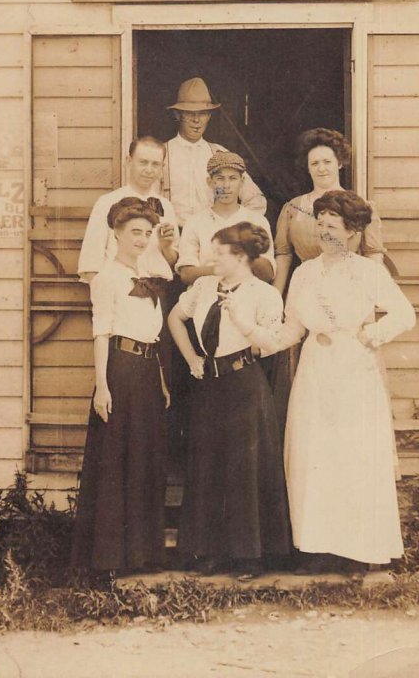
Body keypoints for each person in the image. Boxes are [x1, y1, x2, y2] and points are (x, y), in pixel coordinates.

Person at [239, 191, 415, 573]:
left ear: (353, 232)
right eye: (320, 224)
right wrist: (256, 338)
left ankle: (355, 550)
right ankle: (315, 547)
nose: (323, 232)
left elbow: (404, 314)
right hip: (315, 370)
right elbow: (292, 330)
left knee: (351, 455)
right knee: (313, 455)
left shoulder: (369, 272)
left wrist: (372, 335)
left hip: (354, 369)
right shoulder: (305, 273)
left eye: (332, 226)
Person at [168, 222, 291, 580]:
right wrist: (192, 357)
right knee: (207, 466)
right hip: (209, 384)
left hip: (245, 384)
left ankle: (248, 556)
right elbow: (176, 317)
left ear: (240, 257)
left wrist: (241, 319)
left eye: (219, 254)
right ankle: (208, 552)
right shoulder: (204, 286)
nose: (211, 260)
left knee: (244, 468)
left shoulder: (264, 294)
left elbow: (270, 343)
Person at [71, 198, 169, 573]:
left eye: (147, 234)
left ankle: (143, 554)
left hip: (147, 373)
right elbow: (102, 333)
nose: (142, 240)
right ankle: (111, 558)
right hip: (120, 371)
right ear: (117, 234)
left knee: (145, 457)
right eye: (135, 233)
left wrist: (160, 380)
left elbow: (153, 335)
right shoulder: (107, 278)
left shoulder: (146, 277)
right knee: (117, 459)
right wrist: (102, 386)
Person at [273, 128, 385, 297]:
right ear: (308, 168)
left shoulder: (360, 205)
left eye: (327, 162)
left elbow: (373, 253)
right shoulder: (292, 208)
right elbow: (283, 256)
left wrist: (371, 297)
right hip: (307, 290)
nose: (321, 169)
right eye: (315, 163)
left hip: (348, 290)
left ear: (339, 163)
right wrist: (274, 300)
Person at [162, 77, 266, 227]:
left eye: (202, 113)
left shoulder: (219, 155)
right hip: (174, 240)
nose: (196, 120)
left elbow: (255, 199)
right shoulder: (162, 154)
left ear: (209, 116)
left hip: (212, 239)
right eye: (190, 113)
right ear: (178, 115)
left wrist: (235, 229)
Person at [78, 136, 179, 284]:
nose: (149, 170)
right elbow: (91, 261)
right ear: (129, 162)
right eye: (143, 162)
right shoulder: (107, 202)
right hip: (118, 286)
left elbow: (172, 262)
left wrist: (166, 246)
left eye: (155, 164)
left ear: (162, 168)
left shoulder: (166, 206)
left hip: (157, 290)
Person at [176, 150, 275, 286]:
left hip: (247, 296)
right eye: (220, 179)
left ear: (242, 182)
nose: (226, 186)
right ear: (210, 182)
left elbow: (268, 273)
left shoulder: (256, 220)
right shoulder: (195, 222)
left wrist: (247, 247)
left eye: (233, 178)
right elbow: (186, 274)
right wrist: (230, 266)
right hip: (205, 296)